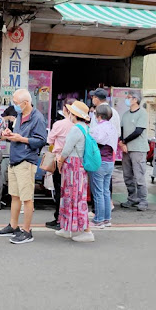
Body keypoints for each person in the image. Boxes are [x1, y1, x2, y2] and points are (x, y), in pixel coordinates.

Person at [0, 89, 47, 245]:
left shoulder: (37, 118)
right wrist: (10, 134)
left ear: (25, 103)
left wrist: (22, 139)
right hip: (15, 159)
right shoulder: (20, 115)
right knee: (15, 196)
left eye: (16, 103)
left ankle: (27, 230)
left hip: (26, 161)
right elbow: (18, 136)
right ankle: (13, 225)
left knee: (27, 198)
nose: (14, 105)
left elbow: (41, 140)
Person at [55, 100, 95, 242]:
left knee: (72, 197)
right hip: (80, 167)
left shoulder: (76, 129)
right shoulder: (86, 128)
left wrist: (60, 161)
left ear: (74, 114)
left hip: (72, 167)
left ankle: (87, 231)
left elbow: (66, 149)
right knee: (75, 197)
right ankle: (68, 228)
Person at [45, 98, 76, 230]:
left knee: (59, 189)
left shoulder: (59, 124)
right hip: (74, 161)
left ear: (65, 109)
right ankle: (69, 219)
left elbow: (49, 140)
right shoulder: (80, 125)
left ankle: (59, 217)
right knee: (70, 191)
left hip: (59, 159)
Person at [118, 91, 149, 211]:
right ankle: (132, 198)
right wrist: (121, 141)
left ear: (135, 99)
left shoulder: (142, 113)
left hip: (138, 149)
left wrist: (124, 141)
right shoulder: (125, 114)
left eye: (129, 97)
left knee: (139, 175)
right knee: (127, 175)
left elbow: (138, 131)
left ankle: (143, 200)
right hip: (126, 149)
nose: (127, 99)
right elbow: (122, 129)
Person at [89, 103, 118, 228]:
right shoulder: (112, 128)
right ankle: (107, 218)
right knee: (106, 191)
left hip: (99, 162)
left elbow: (95, 140)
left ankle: (99, 219)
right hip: (110, 162)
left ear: (98, 115)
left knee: (98, 192)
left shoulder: (98, 129)